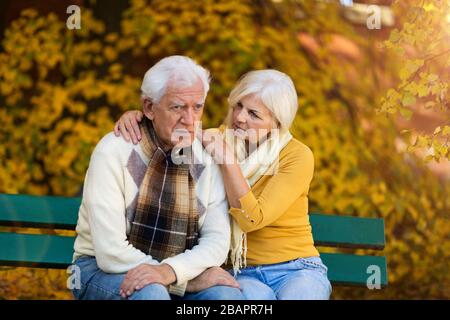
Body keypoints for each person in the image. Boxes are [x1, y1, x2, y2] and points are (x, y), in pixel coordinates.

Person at [115, 69, 332, 300]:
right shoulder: (218, 138)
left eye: (254, 114)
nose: (239, 117)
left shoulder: (297, 156)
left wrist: (227, 159)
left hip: (296, 269)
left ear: (276, 123)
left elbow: (252, 219)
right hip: (242, 272)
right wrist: (137, 118)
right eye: (238, 106)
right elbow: (168, 128)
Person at [71, 55, 244, 300]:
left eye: (197, 107)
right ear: (149, 108)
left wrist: (170, 272)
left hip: (179, 271)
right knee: (152, 294)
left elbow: (216, 240)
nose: (190, 119)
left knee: (227, 298)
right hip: (100, 270)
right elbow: (110, 253)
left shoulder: (206, 155)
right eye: (177, 107)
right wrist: (180, 282)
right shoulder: (113, 151)